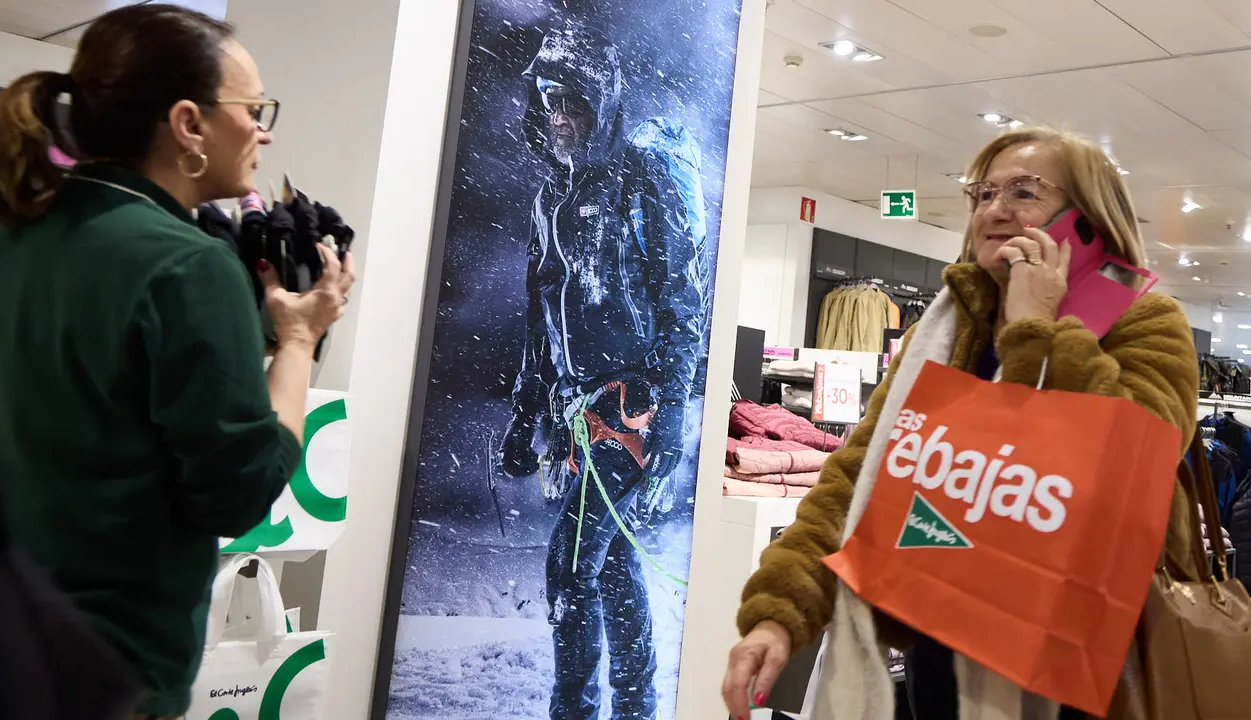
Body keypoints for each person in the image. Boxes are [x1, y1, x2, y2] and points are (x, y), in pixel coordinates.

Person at [721, 127, 1200, 720]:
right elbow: (857, 478)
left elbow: (1126, 477)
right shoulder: (946, 331)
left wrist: (1038, 335)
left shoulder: (1148, 323)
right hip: (942, 653)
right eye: (983, 194)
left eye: (1024, 192)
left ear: (1087, 221)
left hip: (1084, 670)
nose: (995, 210)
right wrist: (778, 613)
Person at [0, 5, 352, 719]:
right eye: (253, 107)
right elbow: (240, 491)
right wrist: (298, 340)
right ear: (188, 125)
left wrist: (250, 339)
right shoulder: (185, 266)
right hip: (107, 673)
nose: (264, 128)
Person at [498, 24, 708, 720]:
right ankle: (634, 708)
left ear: (603, 105)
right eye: (549, 101)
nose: (559, 118)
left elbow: (681, 302)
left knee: (570, 569)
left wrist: (670, 414)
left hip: (629, 412)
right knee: (609, 568)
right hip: (572, 416)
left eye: (575, 103)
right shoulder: (545, 200)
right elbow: (540, 317)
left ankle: (577, 712)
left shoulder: (642, 180)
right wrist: (526, 417)